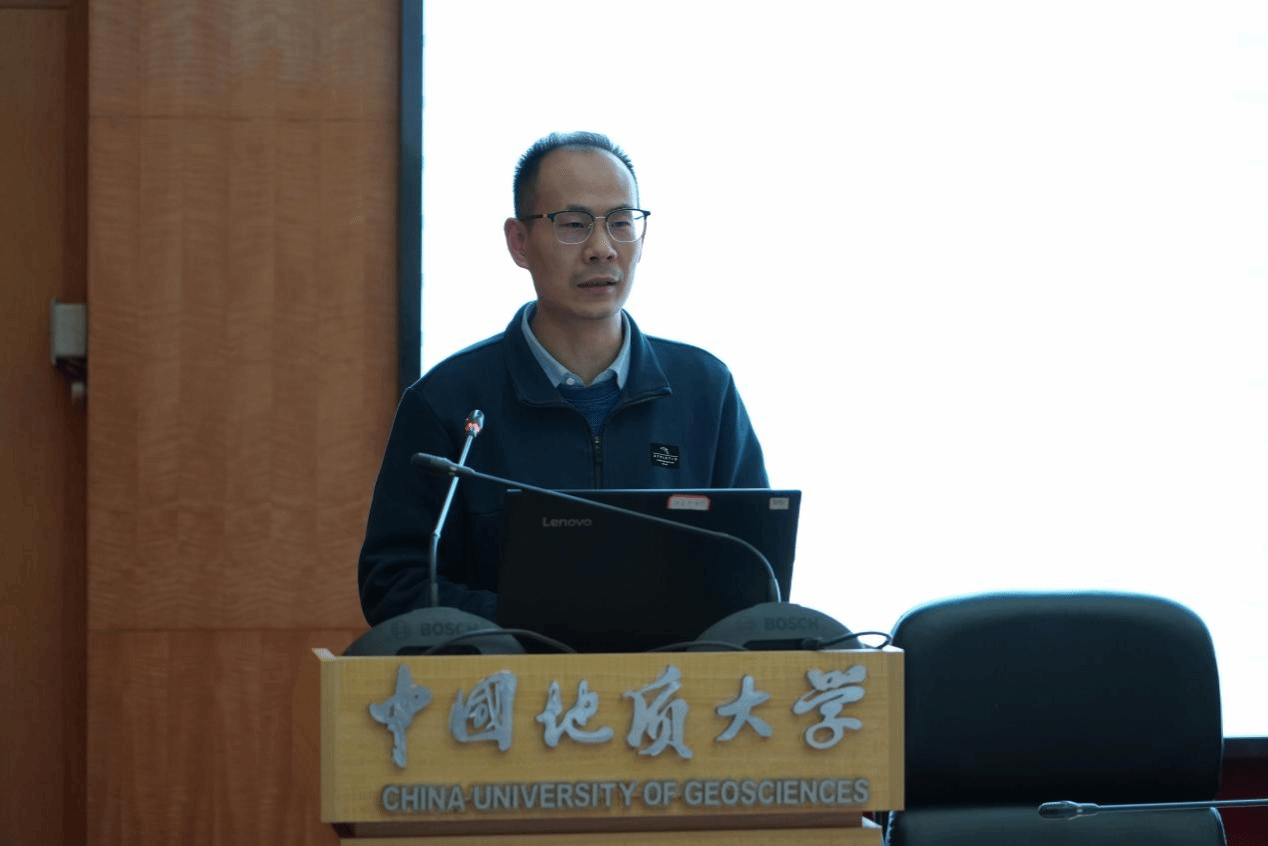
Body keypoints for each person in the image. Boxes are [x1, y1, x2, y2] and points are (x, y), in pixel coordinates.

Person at [358, 131, 768, 626]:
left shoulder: (705, 390)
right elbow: (394, 585)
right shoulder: (448, 402)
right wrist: (541, 622)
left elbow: (758, 573)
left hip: (671, 674)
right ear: (519, 242)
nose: (602, 249)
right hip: (510, 672)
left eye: (621, 222)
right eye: (574, 224)